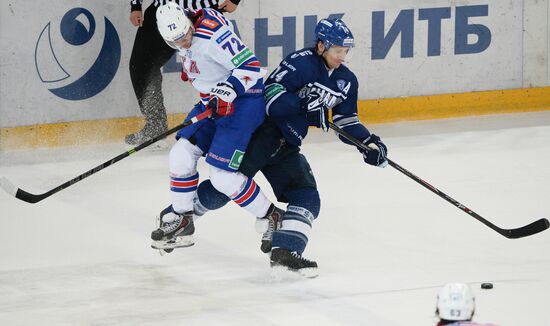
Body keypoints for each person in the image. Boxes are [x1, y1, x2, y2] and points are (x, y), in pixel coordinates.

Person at [190, 18, 389, 278]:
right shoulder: (300, 62)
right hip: (261, 134)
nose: (342, 57)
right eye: (337, 50)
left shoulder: (346, 80)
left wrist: (368, 143)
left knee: (306, 196)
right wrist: (305, 108)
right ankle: (181, 215)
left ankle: (285, 251)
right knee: (226, 186)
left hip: (287, 143)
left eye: (345, 52)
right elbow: (271, 99)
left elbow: (346, 120)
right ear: (321, 46)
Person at [150, 3, 283, 252]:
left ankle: (271, 215)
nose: (184, 44)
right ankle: (183, 220)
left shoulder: (212, 36)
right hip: (211, 103)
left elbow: (251, 68)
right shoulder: (183, 35)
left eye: (185, 36)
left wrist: (229, 90)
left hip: (242, 104)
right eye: (176, 42)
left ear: (189, 23)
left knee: (221, 177)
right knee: (180, 154)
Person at [126, 0, 241, 145]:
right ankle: (155, 126)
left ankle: (232, 121)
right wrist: (136, 5)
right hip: (163, 13)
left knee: (218, 70)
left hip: (202, 13)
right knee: (141, 66)